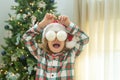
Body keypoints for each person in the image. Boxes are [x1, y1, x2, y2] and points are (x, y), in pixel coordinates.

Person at [22, 13, 89, 80]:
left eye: (60, 36)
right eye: (51, 36)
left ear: (65, 41)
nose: (56, 39)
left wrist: (69, 25)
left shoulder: (71, 54)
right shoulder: (40, 54)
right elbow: (26, 38)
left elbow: (84, 39)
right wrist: (42, 24)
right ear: (46, 41)